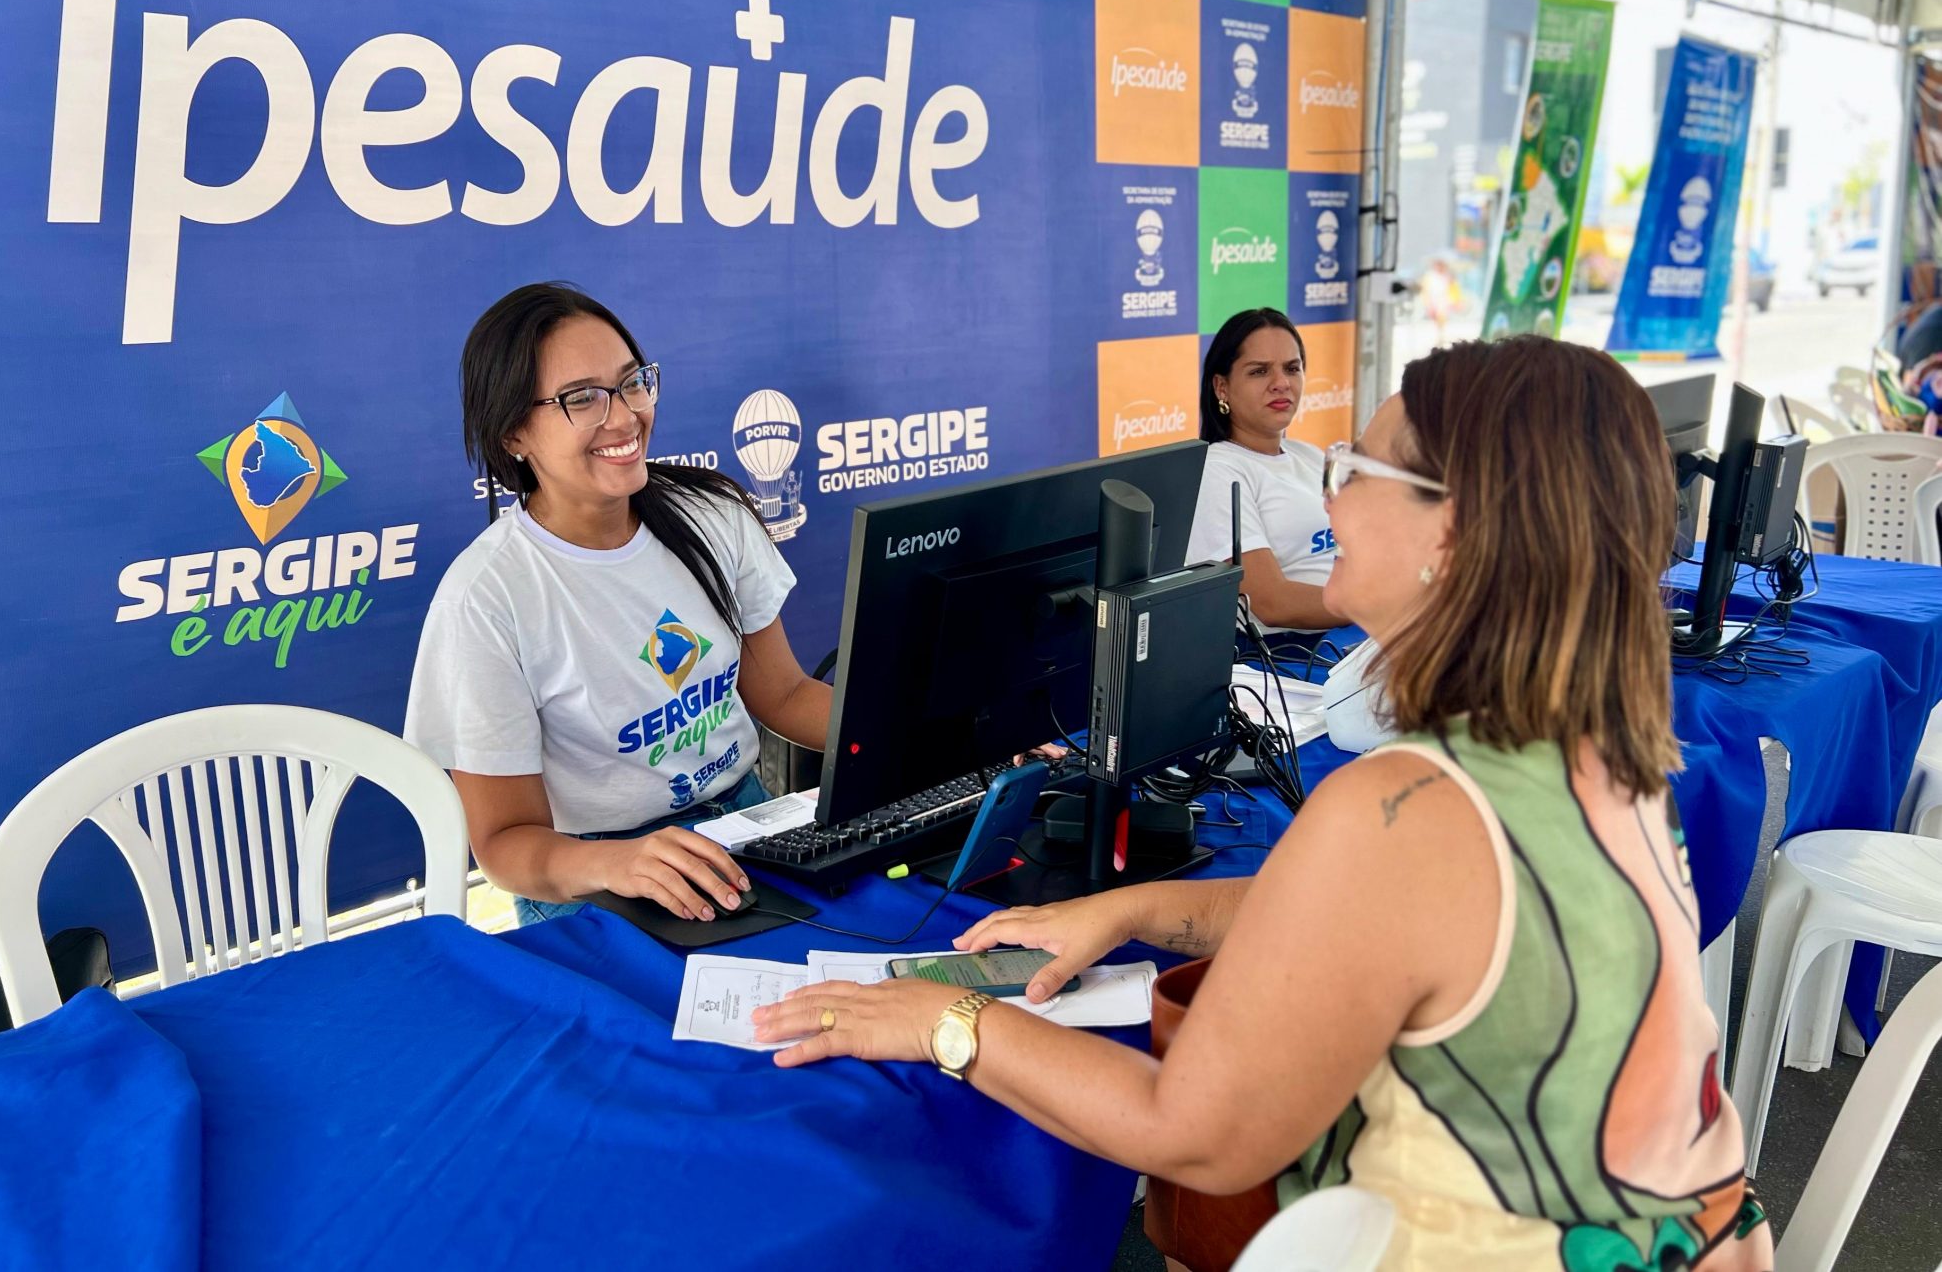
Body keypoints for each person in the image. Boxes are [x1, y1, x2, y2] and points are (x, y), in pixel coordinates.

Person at [753, 336, 1772, 1271]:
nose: (1329, 500)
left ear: (1451, 537)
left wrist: (949, 1021)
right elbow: (1381, 925)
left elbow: (1191, 1133)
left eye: (1356, 471)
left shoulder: (1407, 808)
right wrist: (1133, 910)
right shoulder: (1592, 745)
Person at [405, 283, 833, 926]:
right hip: (595, 879)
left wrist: (939, 738)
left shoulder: (713, 514)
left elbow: (787, 695)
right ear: (514, 433)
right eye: (582, 398)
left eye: (633, 382)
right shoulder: (485, 600)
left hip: (746, 832)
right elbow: (503, 846)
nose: (625, 416)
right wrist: (619, 864)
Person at [1184, 308, 1348, 632]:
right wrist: (1387, 606)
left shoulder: (1312, 456)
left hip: (1356, 641)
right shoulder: (1218, 471)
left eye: (1292, 368)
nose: (1281, 383)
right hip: (1290, 661)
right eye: (1259, 371)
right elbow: (1272, 604)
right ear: (1222, 388)